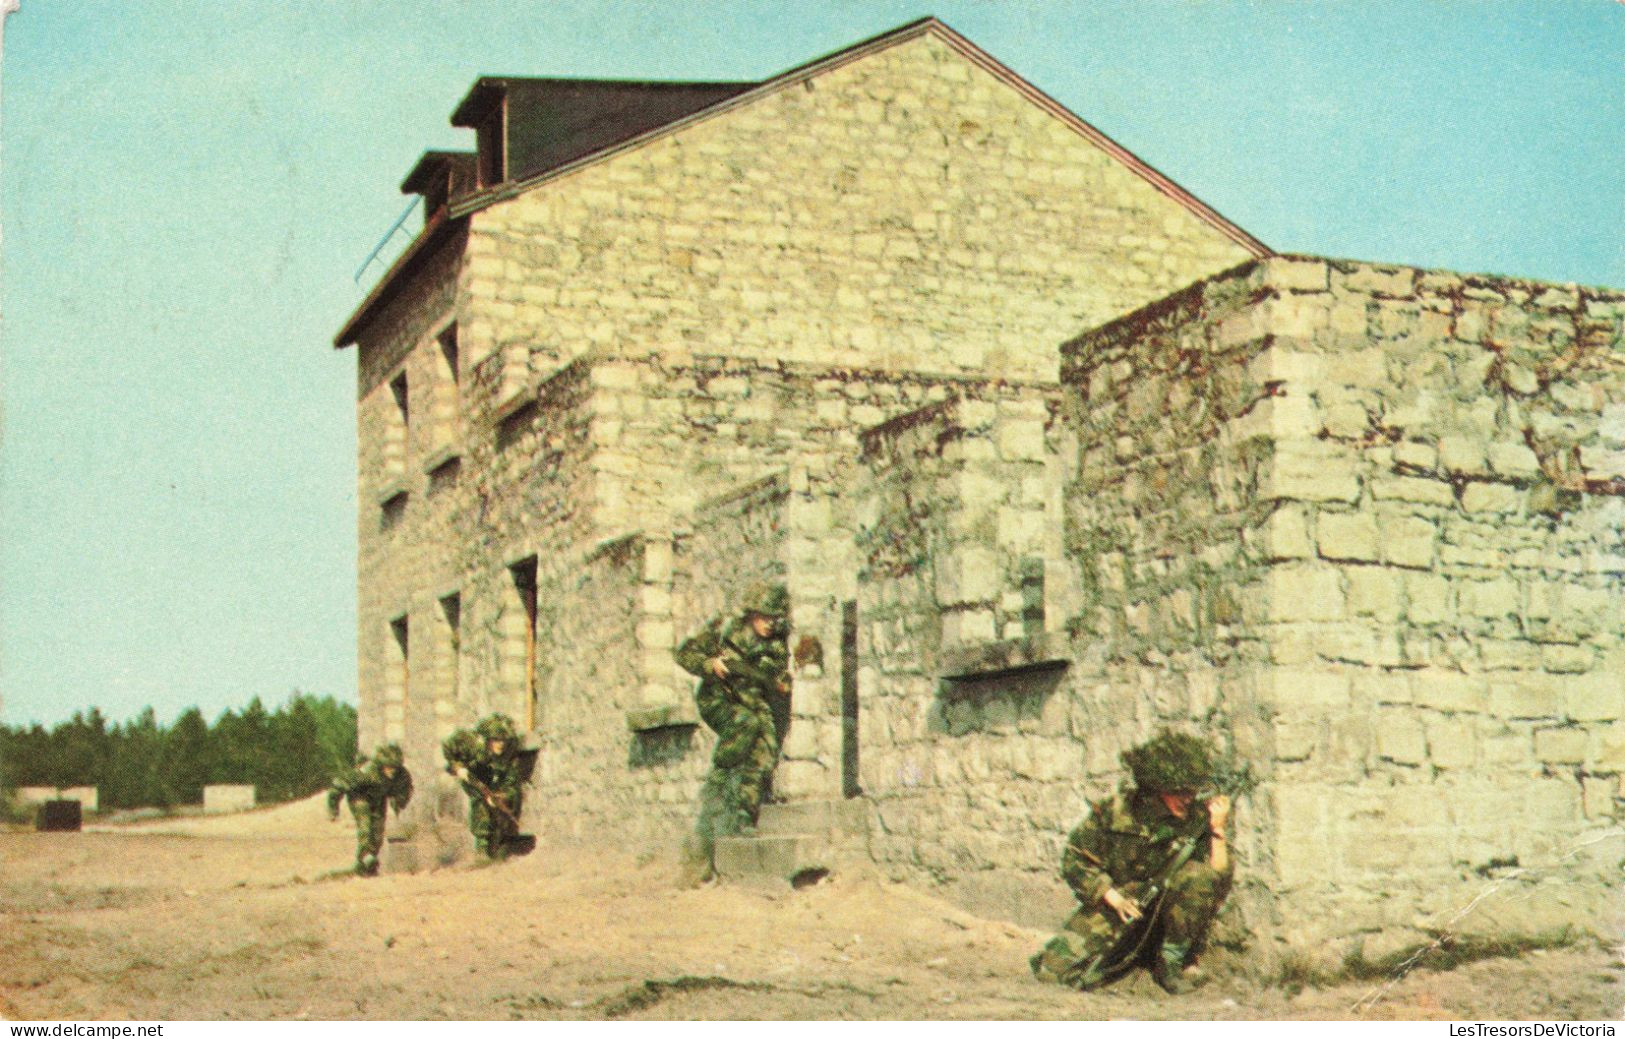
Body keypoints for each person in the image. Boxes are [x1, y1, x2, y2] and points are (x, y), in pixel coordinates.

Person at [1030, 729, 1234, 994]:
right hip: (1121, 902)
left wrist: (1218, 829)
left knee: (1197, 876)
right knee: (1051, 972)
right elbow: (1075, 858)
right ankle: (1135, 949)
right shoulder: (1115, 812)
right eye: (1179, 791)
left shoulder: (1198, 816)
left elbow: (1215, 874)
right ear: (1157, 786)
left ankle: (1171, 961)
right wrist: (1112, 897)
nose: (1188, 798)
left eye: (1192, 791)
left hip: (1169, 904)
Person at [673, 581, 791, 872]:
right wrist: (710, 664)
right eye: (764, 617)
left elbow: (780, 675)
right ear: (752, 614)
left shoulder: (776, 643)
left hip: (751, 698)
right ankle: (718, 781)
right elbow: (684, 653)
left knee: (765, 748)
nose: (769, 624)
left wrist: (782, 682)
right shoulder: (725, 630)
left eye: (774, 619)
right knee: (744, 724)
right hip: (718, 697)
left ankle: (743, 817)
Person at [442, 713, 526, 860]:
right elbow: (450, 755)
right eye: (496, 740)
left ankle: (498, 850)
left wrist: (502, 796)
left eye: (503, 741)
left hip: (494, 784)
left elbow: (511, 783)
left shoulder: (507, 758)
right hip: (474, 779)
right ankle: (481, 850)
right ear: (488, 741)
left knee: (500, 810)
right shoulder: (475, 749)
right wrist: (458, 768)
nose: (501, 744)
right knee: (481, 809)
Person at [327, 742, 413, 877]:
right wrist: (333, 809)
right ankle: (366, 856)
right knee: (365, 826)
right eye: (388, 768)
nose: (391, 772)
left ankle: (365, 867)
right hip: (359, 796)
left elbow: (405, 791)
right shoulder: (367, 772)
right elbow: (339, 785)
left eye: (394, 768)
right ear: (381, 765)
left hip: (378, 799)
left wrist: (398, 803)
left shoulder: (402, 775)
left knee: (378, 834)